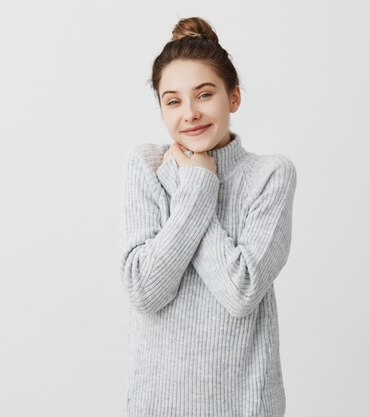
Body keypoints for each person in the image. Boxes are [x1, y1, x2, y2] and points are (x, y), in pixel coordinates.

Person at [119, 16, 297, 417]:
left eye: (204, 95)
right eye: (173, 100)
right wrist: (197, 185)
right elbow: (145, 291)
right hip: (156, 405)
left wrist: (192, 184)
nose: (190, 114)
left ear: (233, 98)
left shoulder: (271, 174)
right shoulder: (147, 166)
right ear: (162, 109)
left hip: (245, 405)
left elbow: (240, 291)